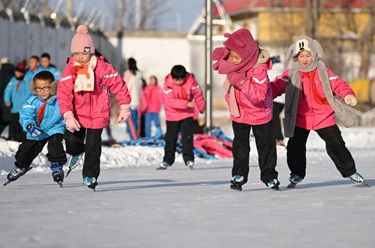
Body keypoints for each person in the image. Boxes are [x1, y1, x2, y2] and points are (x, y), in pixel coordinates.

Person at [271, 34, 365, 188]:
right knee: (295, 146)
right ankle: (297, 172)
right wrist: (266, 93)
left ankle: (349, 170)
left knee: (336, 143)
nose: (305, 59)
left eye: (308, 55)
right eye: (301, 56)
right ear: (295, 56)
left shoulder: (323, 71)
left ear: (314, 54)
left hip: (323, 116)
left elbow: (338, 84)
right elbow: (277, 86)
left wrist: (348, 95)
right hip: (300, 117)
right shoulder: (291, 73)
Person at [57, 25, 131, 190]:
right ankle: (76, 151)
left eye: (84, 53)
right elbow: (63, 94)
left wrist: (124, 106)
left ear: (91, 51)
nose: (80, 57)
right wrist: (68, 115)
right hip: (77, 113)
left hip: (98, 112)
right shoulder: (71, 69)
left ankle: (90, 175)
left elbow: (118, 85)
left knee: (93, 145)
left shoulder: (102, 67)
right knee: (70, 140)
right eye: (76, 54)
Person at [212, 28, 279, 191]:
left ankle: (269, 176)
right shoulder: (237, 64)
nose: (233, 61)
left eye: (237, 57)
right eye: (232, 56)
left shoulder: (259, 69)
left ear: (248, 54)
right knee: (240, 146)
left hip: (259, 113)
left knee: (265, 146)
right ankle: (239, 174)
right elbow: (226, 60)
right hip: (240, 113)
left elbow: (259, 95)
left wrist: (241, 81)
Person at [4, 71, 67, 186]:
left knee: (55, 144)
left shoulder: (61, 100)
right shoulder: (32, 100)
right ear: (34, 88)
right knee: (26, 149)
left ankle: (57, 166)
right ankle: (21, 166)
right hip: (37, 129)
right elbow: (25, 114)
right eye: (38, 88)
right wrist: (30, 126)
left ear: (53, 86)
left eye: (46, 88)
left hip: (55, 127)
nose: (42, 91)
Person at [157, 65, 205, 170]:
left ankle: (188, 158)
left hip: (186, 114)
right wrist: (186, 104)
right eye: (176, 80)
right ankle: (168, 159)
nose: (179, 82)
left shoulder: (191, 82)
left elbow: (198, 94)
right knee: (171, 138)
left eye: (181, 79)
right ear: (173, 78)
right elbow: (170, 101)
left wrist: (201, 107)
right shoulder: (168, 84)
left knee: (187, 137)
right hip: (172, 115)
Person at [3, 60, 28, 141]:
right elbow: (7, 91)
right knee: (14, 123)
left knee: (22, 124)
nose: (18, 73)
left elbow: (29, 93)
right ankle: (15, 138)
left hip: (23, 107)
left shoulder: (25, 81)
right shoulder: (13, 80)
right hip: (14, 107)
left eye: (20, 72)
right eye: (17, 71)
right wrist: (7, 101)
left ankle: (22, 138)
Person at [268, 55, 286, 147]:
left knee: (274, 118)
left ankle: (278, 139)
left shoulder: (270, 70)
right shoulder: (282, 71)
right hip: (283, 100)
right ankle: (276, 138)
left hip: (274, 98)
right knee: (274, 117)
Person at [123, 58, 142, 140]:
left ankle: (132, 137)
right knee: (134, 120)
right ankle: (134, 135)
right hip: (136, 100)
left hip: (129, 100)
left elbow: (125, 87)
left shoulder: (128, 74)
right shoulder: (139, 74)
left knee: (129, 120)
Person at [0, 57, 15, 138]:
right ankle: (12, 136)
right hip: (13, 101)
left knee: (2, 120)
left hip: (3, 101)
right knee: (12, 120)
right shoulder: (14, 73)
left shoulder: (1, 73)